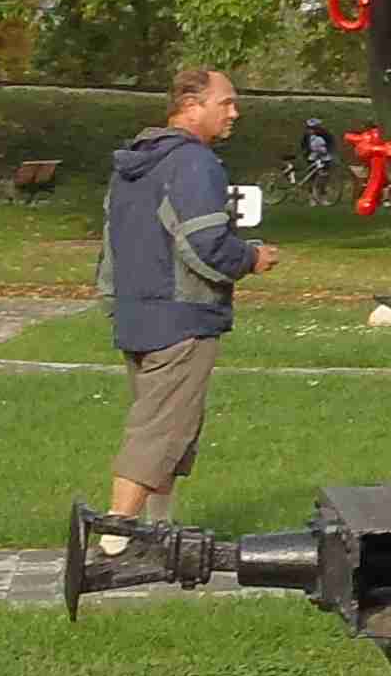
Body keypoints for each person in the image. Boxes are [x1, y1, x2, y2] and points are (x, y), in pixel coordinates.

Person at [98, 66, 278, 528]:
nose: (235, 113)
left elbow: (112, 245)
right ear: (191, 105)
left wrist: (115, 304)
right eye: (226, 102)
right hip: (181, 317)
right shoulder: (194, 163)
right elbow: (205, 244)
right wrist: (251, 258)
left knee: (171, 428)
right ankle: (116, 538)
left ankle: (160, 530)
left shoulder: (134, 164)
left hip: (135, 314)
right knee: (159, 431)